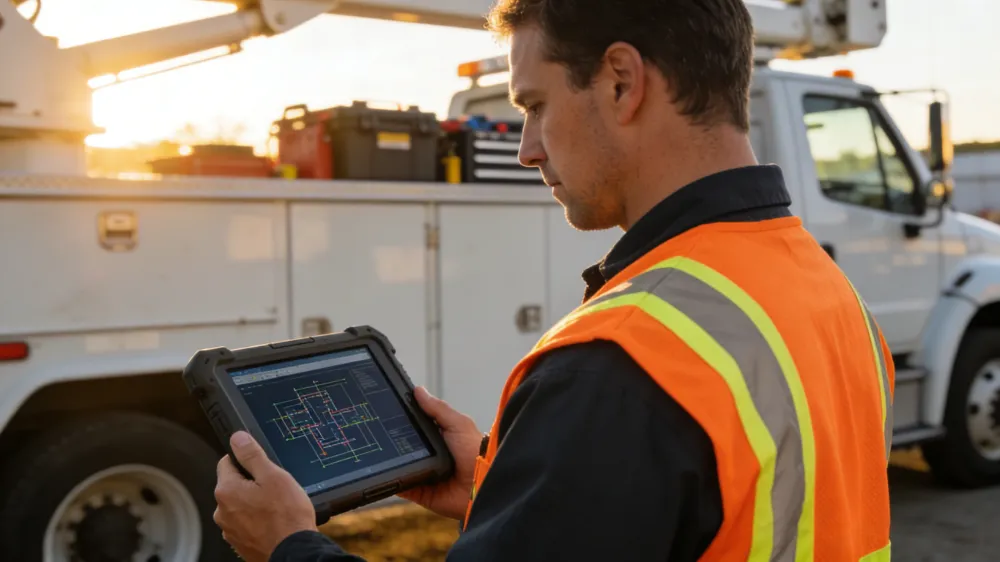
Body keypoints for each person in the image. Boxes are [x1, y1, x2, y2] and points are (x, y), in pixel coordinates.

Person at [214, 0, 897, 560]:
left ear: (622, 81)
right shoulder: (828, 292)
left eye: (535, 105)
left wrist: (288, 546)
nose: (526, 148)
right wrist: (502, 488)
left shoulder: (621, 361)